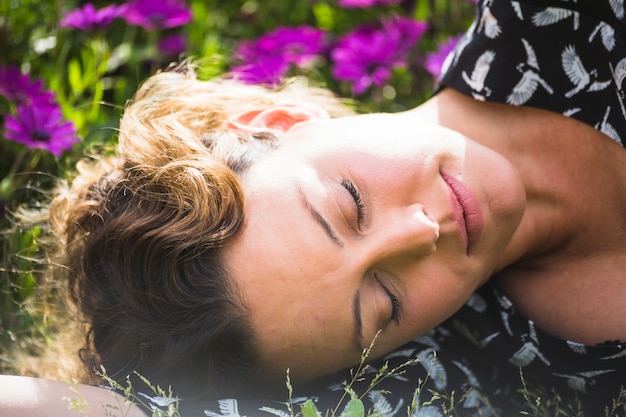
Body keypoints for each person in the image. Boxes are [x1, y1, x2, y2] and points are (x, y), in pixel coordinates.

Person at [1, 0, 625, 415]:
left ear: (279, 119)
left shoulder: (565, 17)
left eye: (350, 204)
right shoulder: (474, 367)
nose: (419, 232)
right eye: (385, 301)